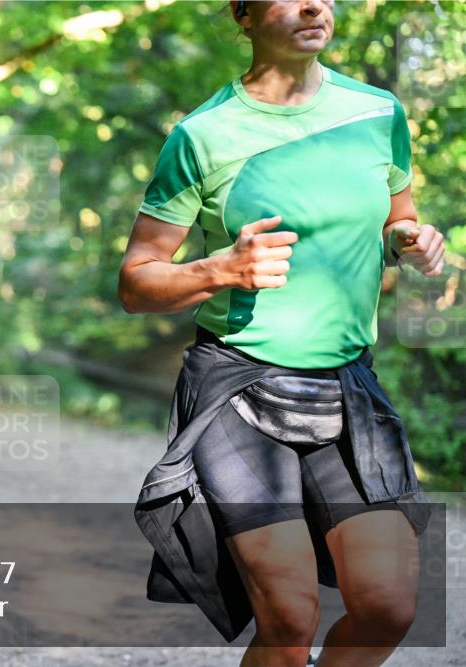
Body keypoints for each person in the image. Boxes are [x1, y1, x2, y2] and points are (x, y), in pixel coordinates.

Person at [119, 2, 445, 666]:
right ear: (243, 15)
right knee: (289, 621)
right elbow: (136, 281)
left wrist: (406, 240)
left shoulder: (377, 113)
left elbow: (395, 216)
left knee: (388, 605)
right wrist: (219, 268)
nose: (312, 6)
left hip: (347, 386)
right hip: (237, 391)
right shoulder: (203, 134)